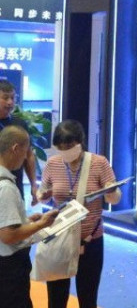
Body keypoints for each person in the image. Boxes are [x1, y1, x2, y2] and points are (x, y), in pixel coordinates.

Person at [39, 120, 121, 308]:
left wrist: (111, 191)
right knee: (56, 297)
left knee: (88, 296)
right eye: (60, 147)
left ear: (80, 142)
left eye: (69, 146)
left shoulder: (99, 163)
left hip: (90, 239)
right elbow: (43, 194)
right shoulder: (53, 163)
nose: (65, 151)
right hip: (60, 237)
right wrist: (42, 195)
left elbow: (114, 199)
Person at [0, 126, 57, 308]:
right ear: (15, 148)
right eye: (26, 152)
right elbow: (8, 235)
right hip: (9, 267)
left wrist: (26, 222)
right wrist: (41, 224)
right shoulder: (6, 187)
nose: (26, 157)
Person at [0, 81, 37, 204]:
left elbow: (29, 155)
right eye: (5, 98)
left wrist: (33, 185)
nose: (10, 102)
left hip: (16, 185)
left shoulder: (20, 123)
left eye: (12, 98)